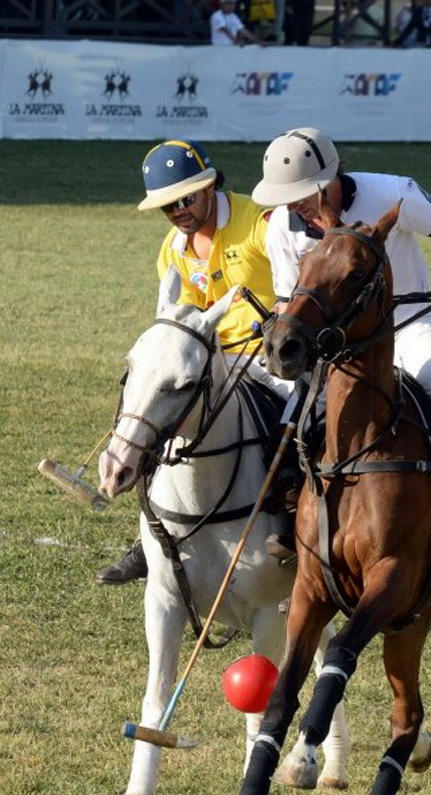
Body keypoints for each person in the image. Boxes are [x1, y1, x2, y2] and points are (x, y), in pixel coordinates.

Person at [251, 127, 431, 572]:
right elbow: (287, 297)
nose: (293, 206)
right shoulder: (281, 225)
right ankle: (297, 523)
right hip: (333, 345)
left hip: (408, 327)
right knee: (286, 428)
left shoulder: (393, 193)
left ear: (329, 179)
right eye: (285, 198)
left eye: (300, 195)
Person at [97, 139, 287, 585]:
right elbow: (183, 320)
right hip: (214, 360)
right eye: (169, 206)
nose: (179, 211)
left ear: (210, 186)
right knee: (158, 418)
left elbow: (299, 279)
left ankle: (297, 522)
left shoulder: (260, 223)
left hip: (271, 357)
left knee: (302, 425)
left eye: (186, 199)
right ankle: (148, 536)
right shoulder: (173, 249)